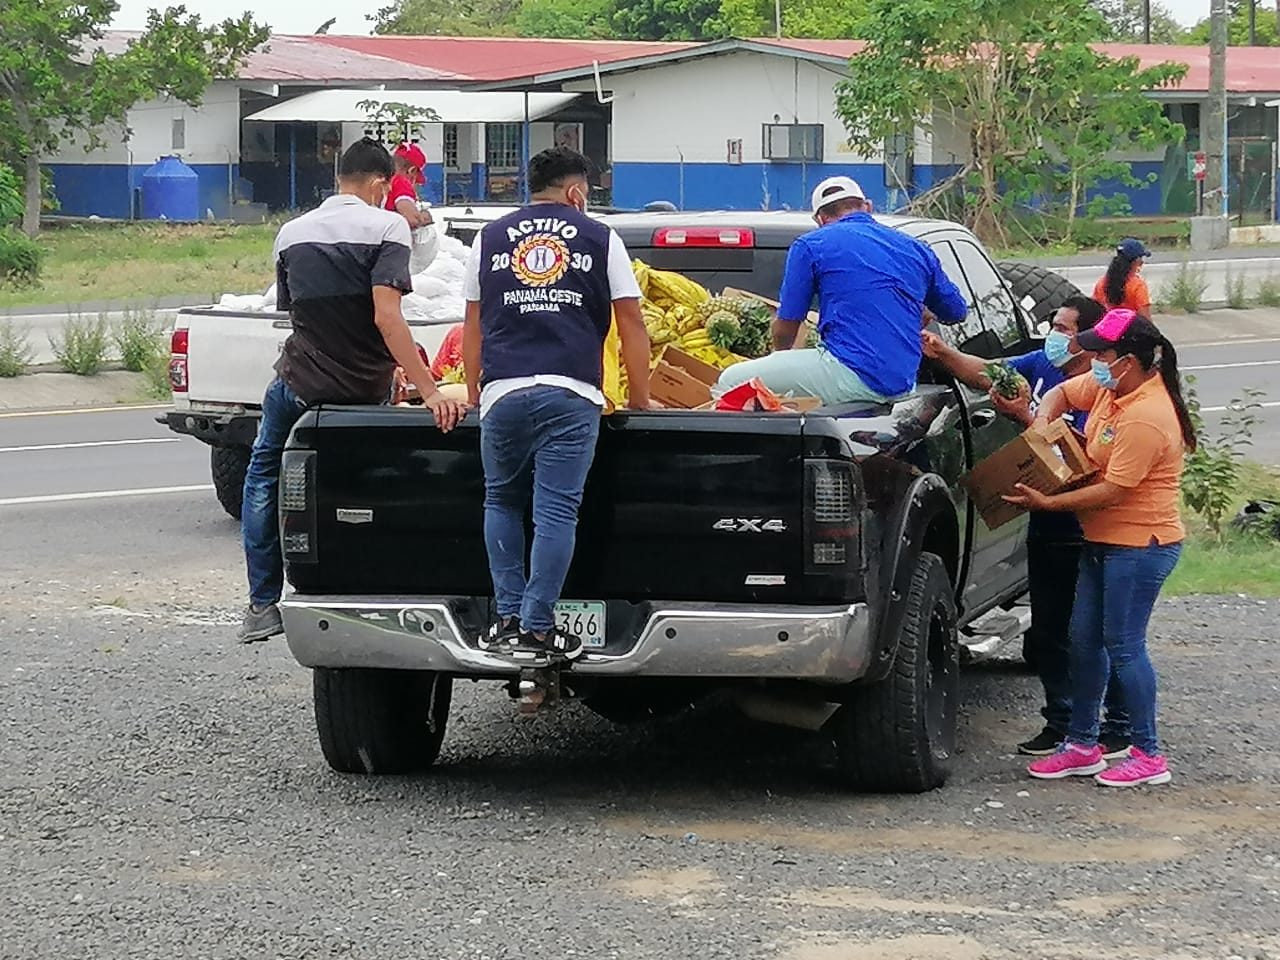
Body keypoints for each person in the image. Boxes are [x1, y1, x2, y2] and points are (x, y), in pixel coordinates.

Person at [238, 138, 467, 643]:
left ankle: (261, 605)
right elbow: (387, 318)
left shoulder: (291, 232)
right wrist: (429, 389)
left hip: (299, 384)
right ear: (382, 183)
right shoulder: (387, 227)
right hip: (363, 388)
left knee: (262, 476)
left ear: (339, 179)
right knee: (377, 484)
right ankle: (374, 583)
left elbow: (291, 313)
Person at [462, 146, 651, 662]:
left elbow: (472, 325)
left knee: (500, 499)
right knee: (556, 511)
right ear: (576, 192)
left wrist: (477, 390)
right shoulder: (600, 238)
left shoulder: (489, 237)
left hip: (503, 390)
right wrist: (640, 399)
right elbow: (631, 324)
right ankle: (538, 629)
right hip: (571, 393)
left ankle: (505, 620)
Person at [922, 296, 1131, 758]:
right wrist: (941, 352)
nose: (1054, 334)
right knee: (1052, 629)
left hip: (1087, 524)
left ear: (1090, 341)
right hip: (1046, 519)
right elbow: (990, 372)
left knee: (1099, 631)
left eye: (1064, 327)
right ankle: (1062, 723)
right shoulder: (1042, 366)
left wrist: (1024, 416)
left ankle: (1118, 727)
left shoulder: (1104, 394)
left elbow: (1075, 458)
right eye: (1053, 324)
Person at [1007, 308, 1195, 787]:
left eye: (1102, 354)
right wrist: (1044, 423)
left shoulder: (1148, 416)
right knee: (1085, 641)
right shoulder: (1112, 388)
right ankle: (1082, 744)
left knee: (1124, 646)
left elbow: (1114, 489)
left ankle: (1148, 752)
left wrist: (1049, 501)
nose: (1093, 360)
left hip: (1139, 545)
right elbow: (1063, 391)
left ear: (1128, 360)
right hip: (1101, 540)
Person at [716, 176, 968, 405]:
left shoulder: (810, 245)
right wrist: (920, 307)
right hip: (902, 383)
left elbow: (788, 324)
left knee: (730, 380)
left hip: (852, 374)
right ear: (867, 206)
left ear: (819, 219)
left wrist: (777, 357)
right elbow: (956, 311)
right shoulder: (916, 247)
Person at [1093, 237, 1152, 320]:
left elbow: (1095, 310)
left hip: (1107, 329)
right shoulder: (1137, 285)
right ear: (1137, 261)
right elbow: (1145, 319)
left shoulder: (1102, 283)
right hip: (1131, 330)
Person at [386, 142, 434, 229]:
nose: (415, 184)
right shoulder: (401, 182)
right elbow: (413, 220)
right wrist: (423, 216)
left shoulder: (384, 181)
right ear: (412, 171)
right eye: (416, 180)